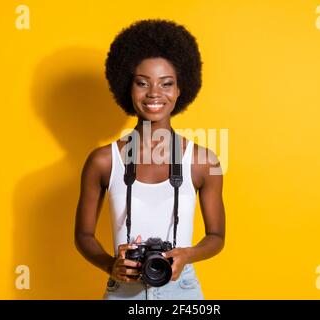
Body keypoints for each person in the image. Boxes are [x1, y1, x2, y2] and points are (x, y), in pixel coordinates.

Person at [74, 19, 225, 300]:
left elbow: (216, 237)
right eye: (142, 83)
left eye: (166, 84)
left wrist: (187, 255)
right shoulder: (103, 161)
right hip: (123, 290)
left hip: (182, 291)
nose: (155, 93)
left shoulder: (204, 162)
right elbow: (83, 235)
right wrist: (111, 265)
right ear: (127, 88)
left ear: (181, 89)